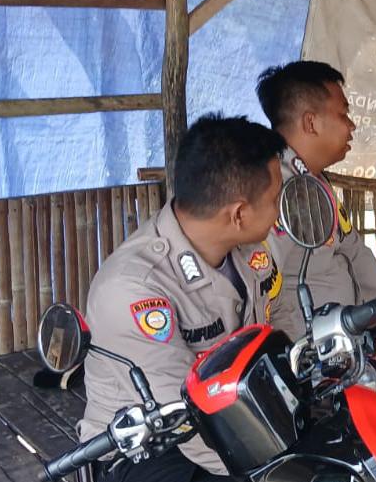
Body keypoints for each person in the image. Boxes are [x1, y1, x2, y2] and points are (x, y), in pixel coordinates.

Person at [80, 114, 287, 481]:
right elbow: (186, 422)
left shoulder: (251, 249)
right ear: (239, 214)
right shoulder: (133, 289)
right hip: (152, 445)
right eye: (274, 199)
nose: (279, 210)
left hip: (240, 412)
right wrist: (280, 468)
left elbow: (282, 326)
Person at [256, 61, 376, 415]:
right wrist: (315, 355)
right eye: (343, 114)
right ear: (311, 122)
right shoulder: (277, 188)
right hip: (315, 362)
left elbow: (353, 250)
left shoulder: (312, 180)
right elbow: (263, 291)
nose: (351, 125)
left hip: (345, 340)